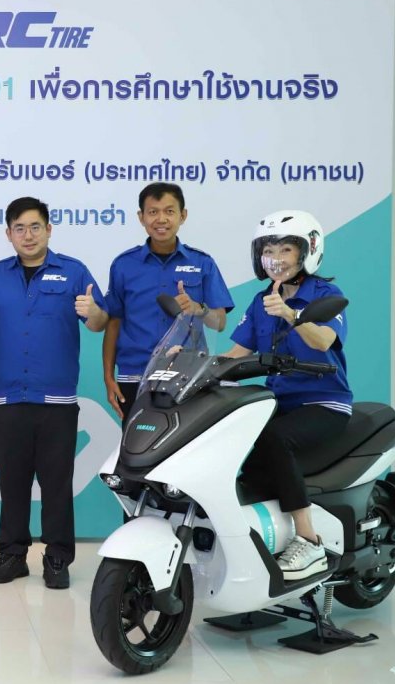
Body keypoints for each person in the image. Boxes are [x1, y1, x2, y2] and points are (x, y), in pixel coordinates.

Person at [0, 196, 109, 589]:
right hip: (9, 397)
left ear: (48, 229)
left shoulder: (73, 271)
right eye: (19, 228)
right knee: (12, 482)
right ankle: (13, 554)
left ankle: (57, 557)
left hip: (57, 401)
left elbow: (99, 322)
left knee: (56, 483)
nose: (28, 235)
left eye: (35, 227)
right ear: (8, 234)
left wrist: (93, 312)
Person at [221, 210, 352, 580]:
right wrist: (190, 362)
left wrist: (292, 316)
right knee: (242, 452)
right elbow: (236, 354)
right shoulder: (261, 300)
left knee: (275, 439)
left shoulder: (326, 295)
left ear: (306, 252)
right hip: (278, 403)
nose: (275, 258)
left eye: (285, 249)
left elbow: (324, 341)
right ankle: (258, 538)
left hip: (324, 403)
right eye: (268, 250)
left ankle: (309, 540)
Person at [104, 183, 234, 427]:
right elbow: (114, 323)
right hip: (135, 376)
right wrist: (108, 378)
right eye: (153, 212)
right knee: (138, 445)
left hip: (187, 374)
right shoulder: (123, 265)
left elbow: (219, 323)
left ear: (182, 216)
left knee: (187, 446)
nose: (161, 219)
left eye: (169, 211)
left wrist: (199, 309)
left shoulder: (202, 263)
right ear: (141, 217)